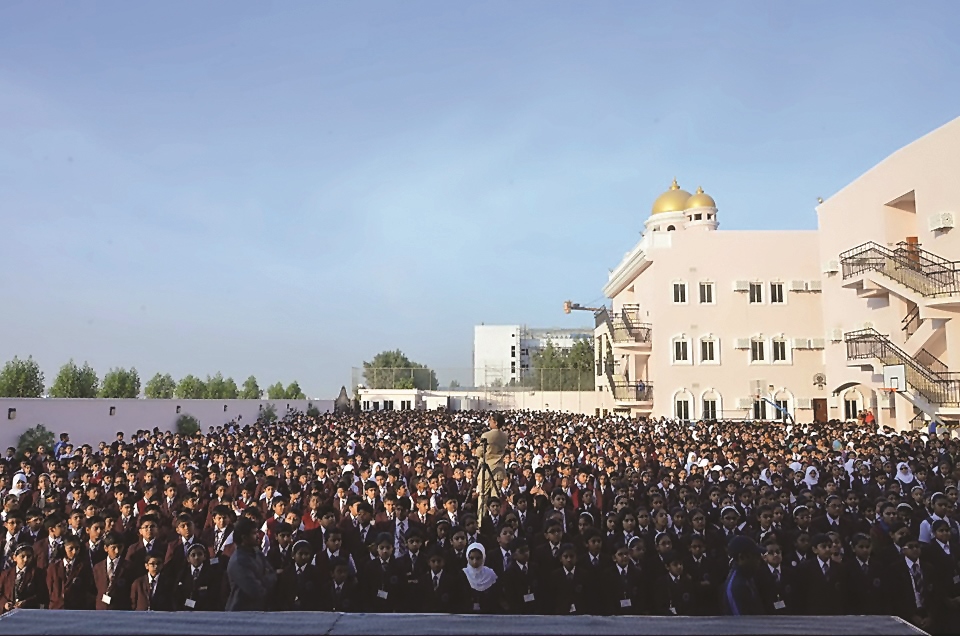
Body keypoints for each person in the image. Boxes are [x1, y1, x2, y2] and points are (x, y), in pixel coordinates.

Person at [225, 517, 276, 611]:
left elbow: (273, 574)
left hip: (258, 610)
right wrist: (265, 579)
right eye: (254, 533)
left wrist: (261, 579)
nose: (258, 536)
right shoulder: (239, 561)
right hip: (241, 612)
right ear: (244, 537)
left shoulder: (257, 552)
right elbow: (256, 591)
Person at [721, 536, 764, 615]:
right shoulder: (737, 586)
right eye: (755, 556)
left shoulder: (747, 577)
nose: (759, 560)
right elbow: (741, 623)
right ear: (742, 557)